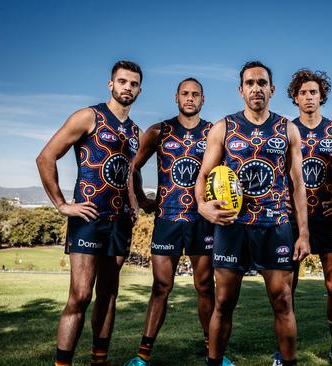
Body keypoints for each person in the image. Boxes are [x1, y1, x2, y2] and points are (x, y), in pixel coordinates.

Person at [195, 61, 311, 366]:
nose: (256, 88)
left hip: (275, 226)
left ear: (271, 89)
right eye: (250, 83)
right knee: (223, 303)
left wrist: (304, 233)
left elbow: (298, 184)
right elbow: (205, 175)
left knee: (283, 301)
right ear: (241, 90)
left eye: (262, 83)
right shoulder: (224, 127)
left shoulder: (288, 129)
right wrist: (202, 205)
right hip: (233, 227)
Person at [36, 60, 143, 366]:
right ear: (111, 84)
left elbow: (129, 173)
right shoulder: (89, 116)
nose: (128, 88)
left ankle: (100, 360)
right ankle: (63, 363)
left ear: (139, 89)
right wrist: (61, 205)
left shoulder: (135, 131)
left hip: (120, 221)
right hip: (88, 218)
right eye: (122, 82)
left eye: (134, 84)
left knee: (108, 295)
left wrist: (135, 203)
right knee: (81, 295)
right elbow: (46, 157)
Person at [124, 78, 233, 366]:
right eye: (185, 93)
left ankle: (214, 352)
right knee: (161, 287)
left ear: (203, 99)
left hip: (202, 220)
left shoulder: (213, 132)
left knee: (205, 287)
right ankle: (142, 355)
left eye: (195, 94)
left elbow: (225, 173)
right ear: (176, 98)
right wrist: (142, 199)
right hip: (168, 219)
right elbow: (133, 167)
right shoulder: (159, 131)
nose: (190, 98)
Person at [283, 68, 332, 366]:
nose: (309, 97)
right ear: (295, 98)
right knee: (286, 290)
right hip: (293, 221)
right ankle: (283, 351)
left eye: (313, 92)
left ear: (321, 96)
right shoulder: (285, 129)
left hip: (327, 218)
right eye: (303, 93)